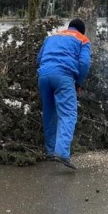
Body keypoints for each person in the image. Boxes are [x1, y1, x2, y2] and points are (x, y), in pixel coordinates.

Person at [37, 19, 91, 170]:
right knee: (68, 114)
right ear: (82, 30)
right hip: (63, 77)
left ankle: (50, 151)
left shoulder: (52, 37)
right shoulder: (83, 39)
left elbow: (39, 58)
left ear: (69, 28)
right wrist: (79, 83)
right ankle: (61, 152)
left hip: (43, 76)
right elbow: (84, 63)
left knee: (49, 114)